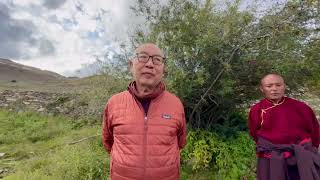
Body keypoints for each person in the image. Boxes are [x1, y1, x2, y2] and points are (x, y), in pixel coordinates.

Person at [102, 43, 187, 180]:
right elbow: (108, 142)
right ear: (131, 65)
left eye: (157, 60)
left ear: (163, 69)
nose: (149, 64)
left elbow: (180, 142)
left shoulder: (176, 104)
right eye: (142, 57)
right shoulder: (114, 103)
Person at [248, 73, 320, 180]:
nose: (274, 89)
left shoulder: (301, 107)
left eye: (278, 85)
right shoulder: (257, 110)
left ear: (284, 86)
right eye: (269, 86)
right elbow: (254, 133)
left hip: (300, 156)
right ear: (262, 89)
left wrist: (310, 151)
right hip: (271, 157)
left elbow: (315, 131)